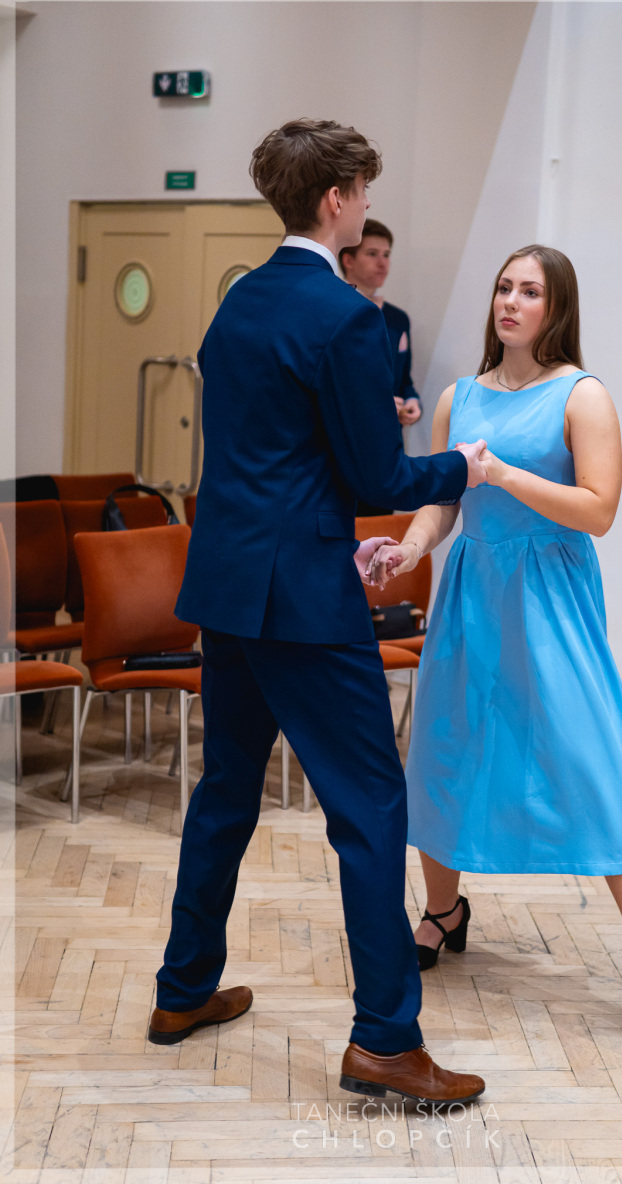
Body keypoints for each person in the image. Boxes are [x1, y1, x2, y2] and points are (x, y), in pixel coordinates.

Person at [147, 118, 487, 1106]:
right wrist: (458, 468)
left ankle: (182, 989)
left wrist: (346, 494)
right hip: (301, 597)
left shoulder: (238, 301)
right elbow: (378, 476)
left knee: (225, 792)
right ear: (336, 200)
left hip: (229, 589)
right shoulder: (345, 316)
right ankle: (385, 1040)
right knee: (371, 806)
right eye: (365, 193)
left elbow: (271, 453)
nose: (368, 207)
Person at [369, 244, 622, 1052]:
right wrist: (410, 549)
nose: (510, 302)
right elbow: (444, 501)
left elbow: (598, 510)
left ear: (557, 307)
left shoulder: (582, 396)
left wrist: (505, 475)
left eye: (530, 291)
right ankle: (443, 910)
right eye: (503, 288)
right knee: (444, 753)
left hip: (551, 600)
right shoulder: (459, 397)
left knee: (597, 766)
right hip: (471, 595)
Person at [339, 219, 422, 430]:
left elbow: (403, 380)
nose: (382, 263)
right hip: (346, 434)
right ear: (348, 260)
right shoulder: (333, 312)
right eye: (372, 254)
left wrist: (412, 400)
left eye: (386, 255)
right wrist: (375, 405)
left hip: (391, 436)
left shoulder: (398, 318)